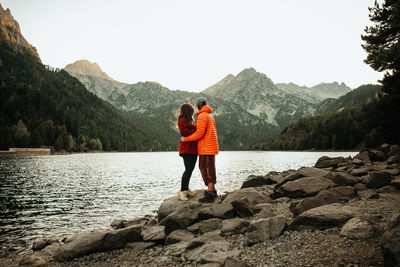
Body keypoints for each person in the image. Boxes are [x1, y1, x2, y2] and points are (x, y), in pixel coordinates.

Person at [181, 97, 219, 203]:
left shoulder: (202, 116)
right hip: (211, 147)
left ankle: (210, 194)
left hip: (206, 148)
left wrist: (185, 139)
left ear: (198, 105)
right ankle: (213, 190)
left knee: (205, 169)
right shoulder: (209, 116)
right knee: (210, 168)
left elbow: (199, 134)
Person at [177, 103, 198, 201]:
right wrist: (196, 129)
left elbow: (190, 131)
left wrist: (194, 128)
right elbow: (184, 132)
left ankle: (186, 188)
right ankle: (182, 191)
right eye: (192, 111)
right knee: (188, 169)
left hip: (192, 149)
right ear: (188, 111)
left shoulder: (190, 121)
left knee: (190, 169)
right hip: (186, 149)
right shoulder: (182, 120)